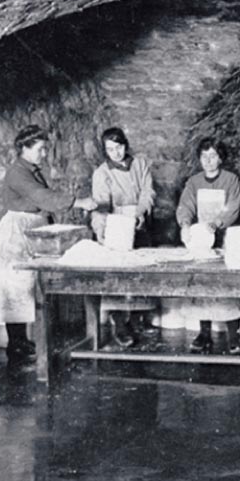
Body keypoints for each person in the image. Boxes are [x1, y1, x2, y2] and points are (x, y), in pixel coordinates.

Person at [0, 125, 95, 362]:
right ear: (24, 148)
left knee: (26, 285)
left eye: (45, 148)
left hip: (30, 228)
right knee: (15, 286)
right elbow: (42, 197)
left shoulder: (31, 170)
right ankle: (15, 343)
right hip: (17, 232)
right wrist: (78, 202)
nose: (44, 154)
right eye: (40, 149)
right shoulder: (17, 172)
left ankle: (20, 341)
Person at [176, 138, 240, 355]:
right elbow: (185, 205)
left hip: (225, 238)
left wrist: (216, 224)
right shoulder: (194, 182)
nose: (208, 161)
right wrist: (185, 224)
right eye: (204, 156)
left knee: (227, 287)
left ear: (220, 158)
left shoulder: (230, 180)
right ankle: (204, 334)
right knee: (202, 285)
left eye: (213, 156)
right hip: (203, 241)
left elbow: (233, 207)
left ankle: (233, 337)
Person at [91, 127, 157, 348]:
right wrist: (101, 228)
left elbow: (148, 191)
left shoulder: (140, 164)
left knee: (141, 272)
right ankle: (119, 323)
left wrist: (140, 213)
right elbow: (100, 205)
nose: (116, 153)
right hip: (116, 226)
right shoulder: (102, 173)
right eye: (110, 149)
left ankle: (137, 318)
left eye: (118, 147)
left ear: (125, 145)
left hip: (139, 223)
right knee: (118, 276)